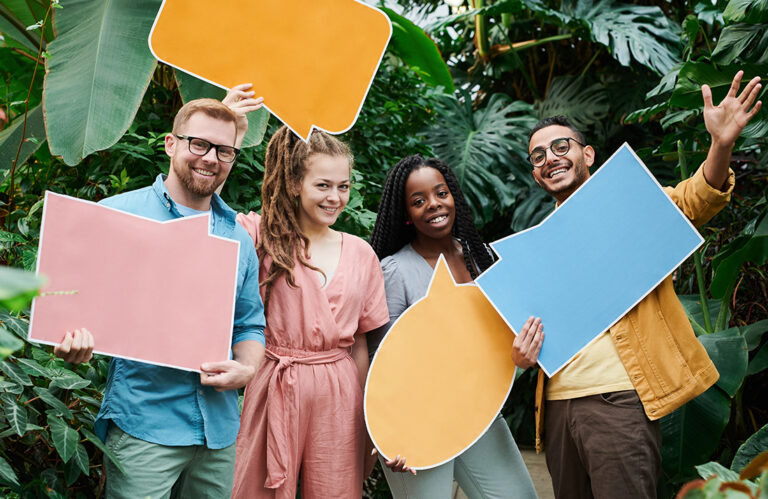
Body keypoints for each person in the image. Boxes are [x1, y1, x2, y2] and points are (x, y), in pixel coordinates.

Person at [521, 71, 763, 498]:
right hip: (556, 407)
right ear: (536, 175)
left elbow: (695, 200)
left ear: (588, 154)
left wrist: (721, 144)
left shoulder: (631, 207)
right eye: (538, 156)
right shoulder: (535, 246)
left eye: (561, 147)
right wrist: (520, 352)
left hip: (620, 399)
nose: (550, 158)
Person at [54, 87, 268, 498]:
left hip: (218, 431)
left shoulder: (237, 238)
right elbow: (68, 303)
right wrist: (69, 340)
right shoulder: (118, 216)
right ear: (171, 144)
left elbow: (250, 323)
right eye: (199, 144)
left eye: (224, 151)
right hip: (145, 425)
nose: (210, 158)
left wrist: (247, 369)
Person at [368, 155, 541, 499]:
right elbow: (380, 363)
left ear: (454, 197)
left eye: (441, 193)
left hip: (478, 413)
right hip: (416, 426)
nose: (433, 205)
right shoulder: (395, 271)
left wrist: (520, 358)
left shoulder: (481, 260)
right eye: (418, 201)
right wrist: (388, 435)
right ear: (406, 214)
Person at [232, 125, 390, 498]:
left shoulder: (360, 253)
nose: (335, 197)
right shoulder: (260, 238)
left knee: (335, 489)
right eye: (323, 185)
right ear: (294, 183)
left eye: (343, 186)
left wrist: (368, 422)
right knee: (255, 489)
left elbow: (360, 346)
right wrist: (234, 133)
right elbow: (205, 224)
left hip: (339, 388)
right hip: (274, 379)